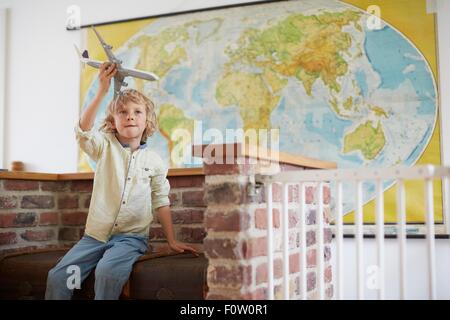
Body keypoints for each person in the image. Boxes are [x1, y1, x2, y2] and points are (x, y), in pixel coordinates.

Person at [45, 62, 198, 300]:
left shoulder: (155, 162)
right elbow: (83, 132)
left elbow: (161, 201)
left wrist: (172, 239)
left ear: (147, 120)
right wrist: (102, 91)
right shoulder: (103, 146)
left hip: (130, 240)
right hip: (94, 238)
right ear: (113, 120)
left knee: (107, 273)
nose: (130, 117)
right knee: (59, 277)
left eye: (137, 112)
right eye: (122, 112)